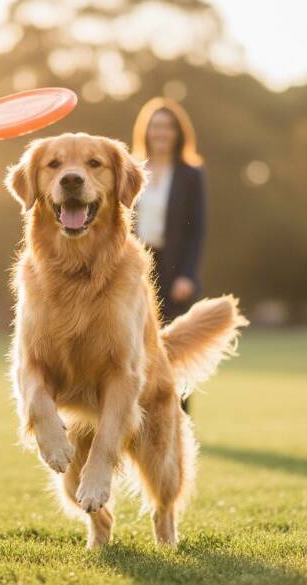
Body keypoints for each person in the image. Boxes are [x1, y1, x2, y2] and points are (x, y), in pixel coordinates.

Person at [131, 97, 206, 413]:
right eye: (156, 126)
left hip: (173, 267)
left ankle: (179, 417)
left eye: (168, 127)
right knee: (135, 344)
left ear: (178, 133)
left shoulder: (190, 174)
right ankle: (137, 416)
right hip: (135, 266)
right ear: (146, 131)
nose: (161, 133)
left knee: (174, 346)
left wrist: (187, 274)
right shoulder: (132, 168)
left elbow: (196, 229)